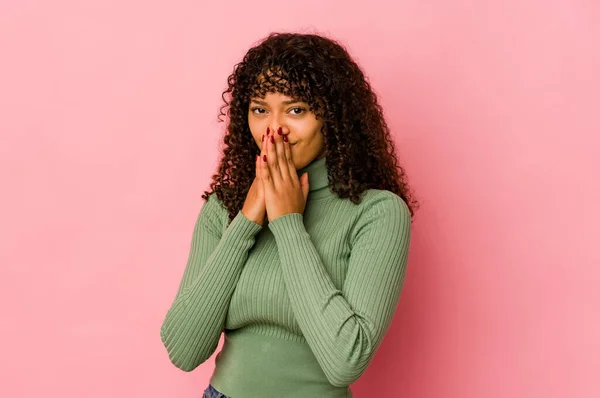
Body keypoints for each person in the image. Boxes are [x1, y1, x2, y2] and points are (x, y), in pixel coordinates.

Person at [160, 32, 418, 398]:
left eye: (296, 110)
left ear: (333, 118)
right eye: (260, 109)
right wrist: (247, 219)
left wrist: (287, 222)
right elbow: (184, 349)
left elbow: (345, 361)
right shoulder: (224, 207)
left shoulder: (378, 213)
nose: (273, 128)